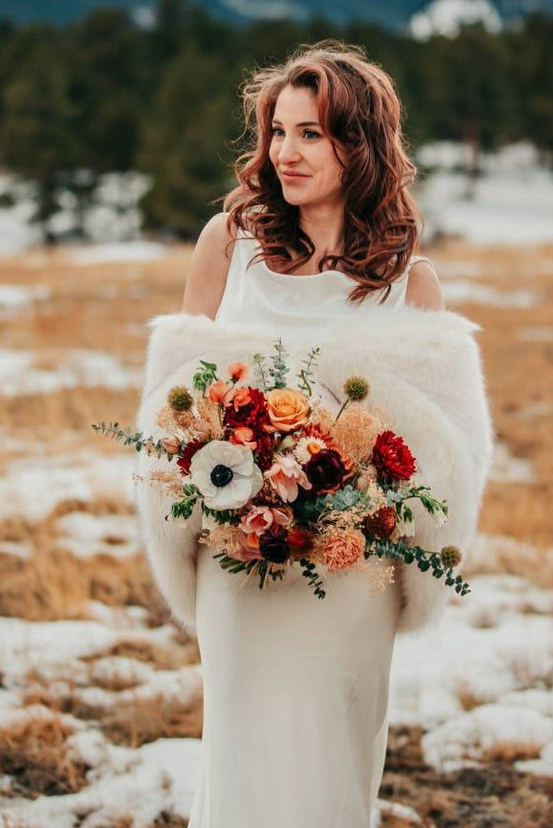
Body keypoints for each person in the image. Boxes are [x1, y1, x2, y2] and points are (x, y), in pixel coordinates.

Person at [134, 41, 494, 828]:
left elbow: (447, 448)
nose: (284, 153)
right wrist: (219, 478)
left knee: (333, 758)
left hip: (351, 573)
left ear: (359, 145)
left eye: (312, 133)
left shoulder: (409, 280)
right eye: (278, 132)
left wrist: (358, 502)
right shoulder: (228, 248)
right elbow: (170, 405)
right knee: (242, 750)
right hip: (239, 561)